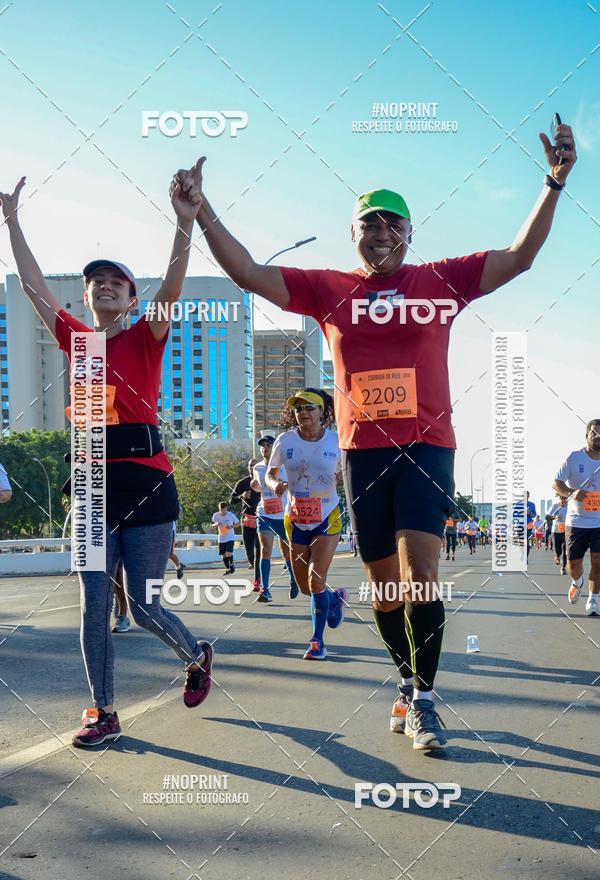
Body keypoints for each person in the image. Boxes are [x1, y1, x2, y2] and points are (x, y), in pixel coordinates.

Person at [175, 119, 576, 750]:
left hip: (427, 447)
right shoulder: (329, 290)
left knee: (421, 575)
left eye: (394, 222)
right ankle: (405, 681)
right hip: (362, 455)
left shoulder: (441, 281)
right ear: (354, 234)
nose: (382, 231)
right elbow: (251, 274)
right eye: (370, 222)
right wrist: (200, 213)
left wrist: (553, 181)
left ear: (410, 233)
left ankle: (424, 697)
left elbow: (521, 257)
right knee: (384, 592)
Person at [0, 164, 213, 748]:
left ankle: (195, 655)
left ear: (131, 296)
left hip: (147, 486)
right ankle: (103, 710)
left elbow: (172, 285)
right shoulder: (79, 341)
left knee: (143, 608)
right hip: (92, 489)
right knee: (95, 605)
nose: (105, 286)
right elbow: (33, 286)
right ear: (86, 296)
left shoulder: (148, 334)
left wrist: (184, 222)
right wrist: (12, 220)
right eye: (96, 282)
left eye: (117, 282)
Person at [266, 388, 345, 659]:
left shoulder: (336, 441)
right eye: (298, 408)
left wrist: (346, 478)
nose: (303, 413)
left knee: (315, 580)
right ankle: (335, 600)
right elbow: (270, 474)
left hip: (328, 516)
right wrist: (276, 484)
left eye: (309, 407)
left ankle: (317, 642)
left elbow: (347, 472)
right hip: (296, 518)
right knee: (304, 587)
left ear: (322, 411)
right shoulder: (285, 441)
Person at [553, 420, 600, 615]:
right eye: (594, 434)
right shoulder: (574, 458)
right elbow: (557, 483)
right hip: (576, 521)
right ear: (587, 435)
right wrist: (572, 493)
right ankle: (577, 582)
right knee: (573, 565)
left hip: (598, 522)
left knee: (598, 562)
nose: (598, 438)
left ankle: (593, 600)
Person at [251, 435, 299, 603]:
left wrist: (284, 485)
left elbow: (293, 485)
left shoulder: (285, 466)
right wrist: (254, 486)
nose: (265, 448)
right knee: (265, 550)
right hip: (264, 514)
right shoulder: (257, 468)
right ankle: (265, 590)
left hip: (283, 514)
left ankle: (293, 579)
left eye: (268, 445)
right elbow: (258, 487)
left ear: (274, 448)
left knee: (287, 551)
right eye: (262, 445)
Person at [230, 459, 261, 591]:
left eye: (255, 466)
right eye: (250, 466)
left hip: (261, 519)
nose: (252, 468)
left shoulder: (264, 481)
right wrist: (241, 496)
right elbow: (231, 500)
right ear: (248, 468)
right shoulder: (242, 483)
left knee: (259, 551)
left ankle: (257, 580)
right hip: (247, 520)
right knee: (249, 551)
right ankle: (255, 567)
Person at [211, 501, 239, 575]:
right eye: (221, 510)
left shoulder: (231, 515)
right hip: (221, 537)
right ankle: (227, 569)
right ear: (219, 509)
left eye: (224, 510)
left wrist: (231, 526)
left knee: (229, 553)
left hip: (230, 537)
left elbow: (238, 523)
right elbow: (212, 525)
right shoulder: (216, 515)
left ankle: (232, 565)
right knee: (223, 554)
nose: (223, 511)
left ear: (226, 508)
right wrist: (217, 524)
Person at [548, 495, 567, 574]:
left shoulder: (570, 506)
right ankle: (557, 556)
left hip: (566, 530)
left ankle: (563, 568)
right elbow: (547, 517)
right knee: (557, 549)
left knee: (565, 548)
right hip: (556, 530)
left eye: (564, 501)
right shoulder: (555, 506)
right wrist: (555, 517)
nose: (563, 503)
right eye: (561, 501)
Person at [169, 509, 185, 580]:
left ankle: (179, 567)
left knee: (169, 554)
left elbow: (180, 511)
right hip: (155, 529)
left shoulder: (170, 498)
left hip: (170, 530)